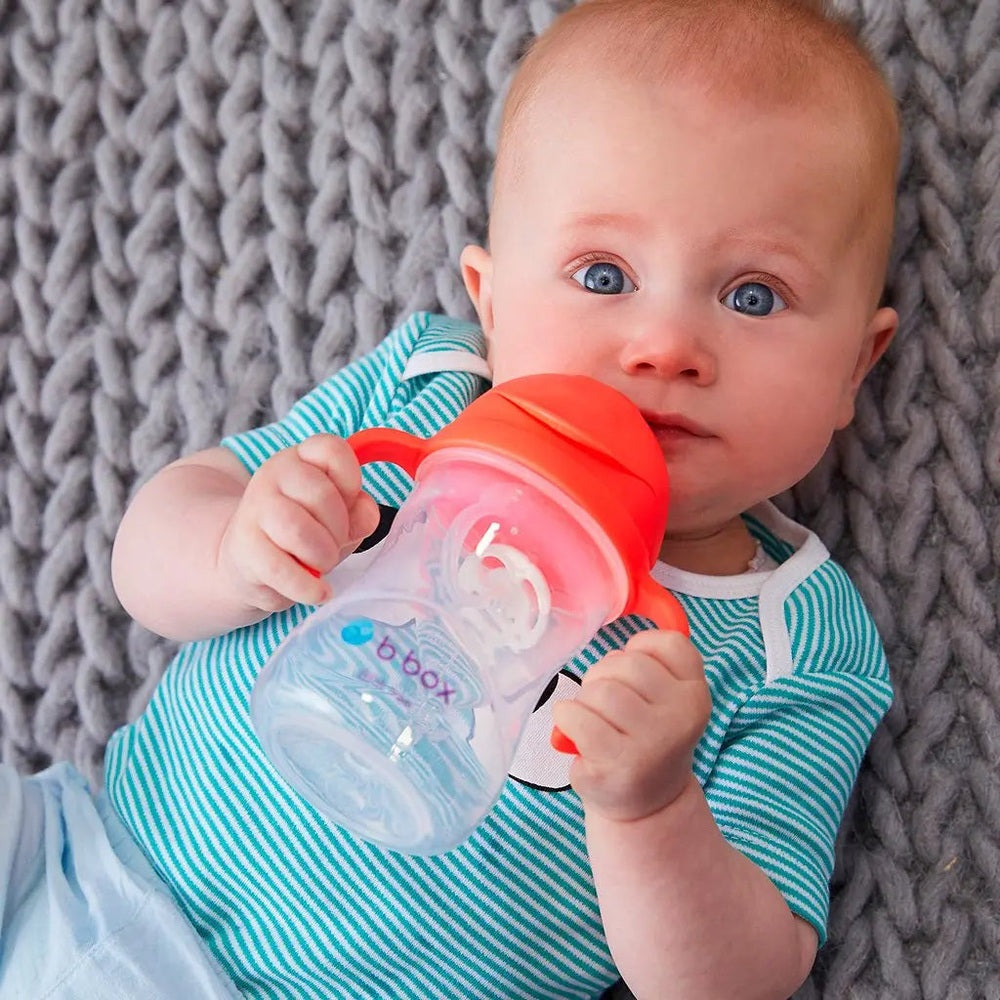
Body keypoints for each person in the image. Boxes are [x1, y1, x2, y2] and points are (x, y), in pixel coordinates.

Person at [0, 0, 901, 997]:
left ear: (854, 366)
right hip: (78, 858)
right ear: (491, 299)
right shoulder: (425, 394)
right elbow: (146, 559)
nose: (665, 347)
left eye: (752, 296)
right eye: (603, 274)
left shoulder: (793, 641)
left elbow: (740, 979)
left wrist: (650, 810)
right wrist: (231, 543)